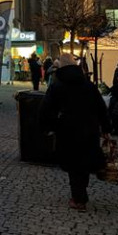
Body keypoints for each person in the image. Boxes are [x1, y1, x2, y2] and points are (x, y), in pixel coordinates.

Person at [39, 53, 110, 211]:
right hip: (89, 128)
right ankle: (80, 195)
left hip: (67, 129)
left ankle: (78, 199)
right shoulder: (88, 85)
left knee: (73, 164)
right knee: (83, 163)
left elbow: (45, 109)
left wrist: (51, 126)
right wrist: (106, 128)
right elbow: (101, 108)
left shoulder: (57, 85)